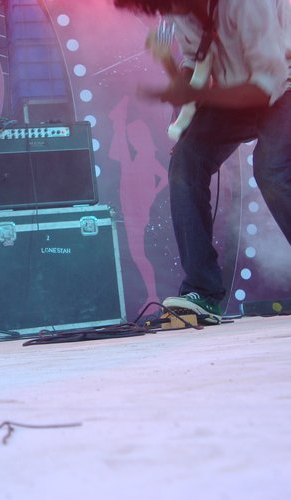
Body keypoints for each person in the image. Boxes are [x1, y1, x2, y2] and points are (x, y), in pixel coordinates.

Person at [113, 0, 291, 324]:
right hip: (241, 91)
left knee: (271, 169)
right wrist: (182, 103)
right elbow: (196, 63)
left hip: (283, 86)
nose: (172, 13)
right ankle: (202, 293)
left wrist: (196, 96)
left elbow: (266, 87)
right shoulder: (179, 9)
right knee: (186, 161)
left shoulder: (247, 5)